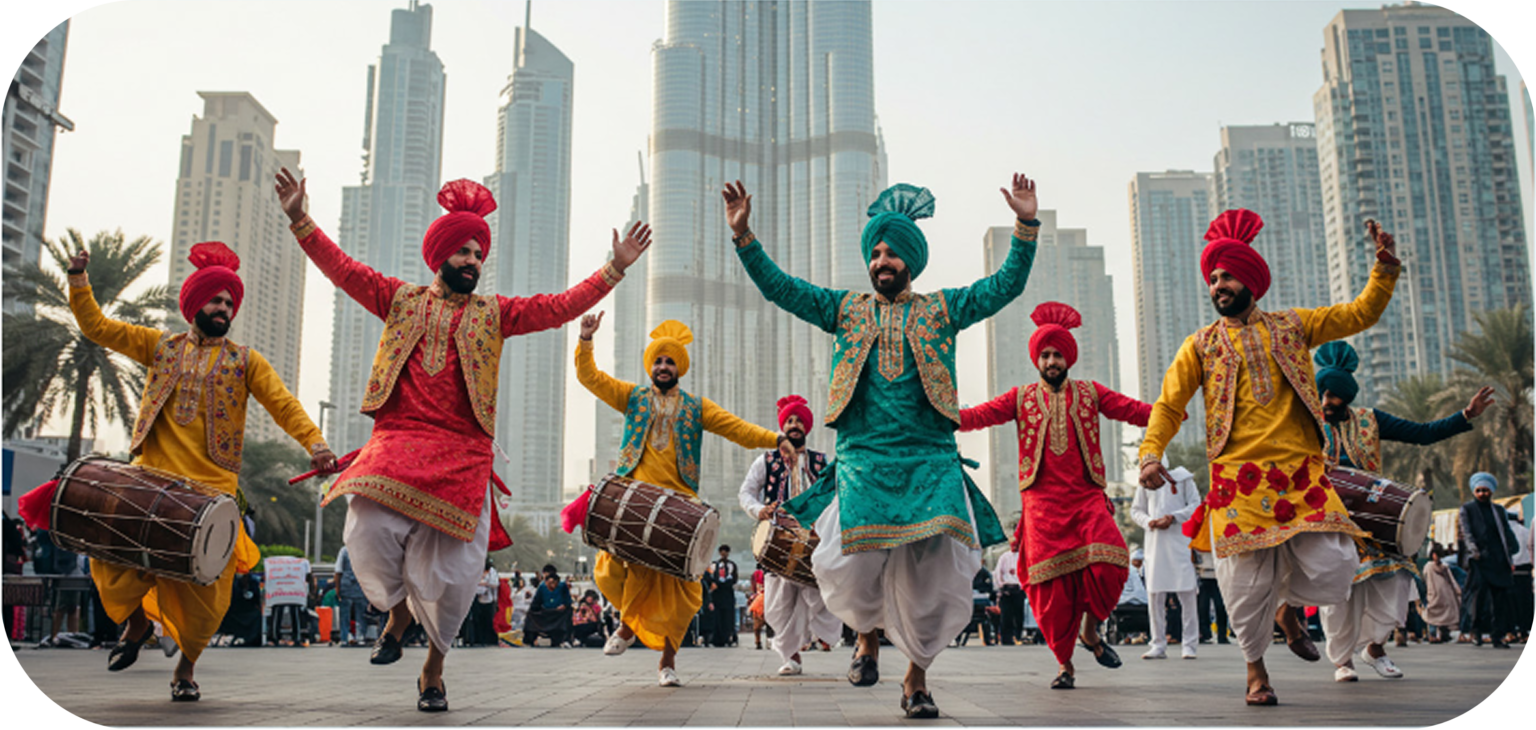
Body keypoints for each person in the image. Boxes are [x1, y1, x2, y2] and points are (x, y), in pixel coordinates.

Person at [275, 169, 647, 711]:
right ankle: (398, 612)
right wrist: (300, 219)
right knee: (367, 526)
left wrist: (614, 268)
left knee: (453, 575)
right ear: (441, 255)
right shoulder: (399, 299)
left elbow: (558, 307)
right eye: (465, 251)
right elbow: (343, 270)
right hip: (398, 440)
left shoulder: (495, 315)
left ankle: (433, 669)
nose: (474, 260)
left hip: (464, 451)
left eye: (480, 252)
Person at [729, 174, 1039, 719]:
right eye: (875, 252)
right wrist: (744, 237)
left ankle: (916, 681)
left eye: (893, 252)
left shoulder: (943, 309)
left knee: (935, 576)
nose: (882, 260)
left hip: (929, 458)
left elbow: (1004, 286)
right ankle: (866, 635)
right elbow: (782, 288)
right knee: (845, 563)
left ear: (911, 262)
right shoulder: (844, 309)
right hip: (862, 459)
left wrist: (1026, 225)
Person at [1137, 212, 1401, 706]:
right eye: (1213, 277)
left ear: (1252, 280)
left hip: (1301, 472)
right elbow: (1170, 405)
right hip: (1238, 479)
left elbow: (1359, 314)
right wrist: (1152, 453)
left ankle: (1284, 610)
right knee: (1241, 589)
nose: (1218, 284)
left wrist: (1382, 269)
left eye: (1228, 275)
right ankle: (1256, 671)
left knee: (1335, 564)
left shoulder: (1294, 325)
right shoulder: (1200, 345)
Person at [55, 242, 333, 700]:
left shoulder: (246, 361)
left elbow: (283, 404)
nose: (224, 308)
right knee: (107, 561)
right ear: (194, 303)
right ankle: (139, 624)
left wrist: (316, 444)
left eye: (229, 302)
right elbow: (98, 327)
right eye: (216, 299)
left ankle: (185, 670)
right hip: (149, 480)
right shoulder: (159, 345)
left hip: (212, 492)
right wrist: (78, 279)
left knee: (209, 596)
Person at [574, 312, 786, 687]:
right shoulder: (633, 397)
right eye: (658, 360)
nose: (663, 366)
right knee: (613, 568)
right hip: (635, 499)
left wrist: (775, 438)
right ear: (650, 365)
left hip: (679, 505)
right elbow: (591, 378)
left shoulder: (696, 407)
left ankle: (667, 664)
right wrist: (586, 341)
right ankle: (626, 626)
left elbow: (737, 428)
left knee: (682, 592)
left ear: (679, 368)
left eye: (670, 360)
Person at [960, 301, 1153, 689]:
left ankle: (1090, 632)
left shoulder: (1091, 393)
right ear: (1037, 359)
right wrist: (939, 413)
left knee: (1112, 564)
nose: (1051, 360)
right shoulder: (1020, 397)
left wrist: (1171, 409)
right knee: (1051, 593)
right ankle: (1064, 665)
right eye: (1045, 354)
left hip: (1085, 498)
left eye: (1058, 353)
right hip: (1042, 504)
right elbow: (978, 416)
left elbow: (1134, 410)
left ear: (1068, 357)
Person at [1309, 341, 1493, 681]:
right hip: (1330, 518)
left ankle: (1376, 648)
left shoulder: (1370, 420)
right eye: (1322, 395)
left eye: (1333, 396)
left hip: (1376, 516)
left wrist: (1465, 415)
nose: (1326, 402)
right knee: (1339, 589)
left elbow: (1422, 434)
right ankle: (1342, 661)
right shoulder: (1306, 424)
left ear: (1346, 395)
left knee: (1396, 581)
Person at [739, 395, 842, 675]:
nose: (794, 425)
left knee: (817, 593)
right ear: (783, 427)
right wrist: (760, 510)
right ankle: (791, 657)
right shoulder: (767, 461)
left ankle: (819, 636)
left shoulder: (822, 462)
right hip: (778, 541)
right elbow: (746, 492)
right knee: (778, 605)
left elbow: (838, 496)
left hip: (813, 540)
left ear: (806, 427)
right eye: (789, 421)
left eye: (799, 420)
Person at [1132, 461, 1202, 660]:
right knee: (1155, 595)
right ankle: (1158, 644)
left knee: (1187, 593)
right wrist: (1149, 522)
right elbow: (1136, 510)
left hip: (1179, 540)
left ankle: (1189, 645)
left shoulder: (1183, 477)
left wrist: (1173, 517)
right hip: (1155, 542)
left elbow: (1196, 505)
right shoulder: (1144, 481)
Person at [1457, 472, 1519, 649]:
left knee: (1500, 600)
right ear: (1474, 491)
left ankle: (1497, 636)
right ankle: (1476, 632)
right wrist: (1474, 552)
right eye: (1479, 490)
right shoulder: (1467, 509)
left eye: (1485, 490)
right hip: (1479, 561)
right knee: (1479, 599)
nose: (1482, 493)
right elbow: (1466, 532)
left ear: (1491, 491)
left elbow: (1506, 531)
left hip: (1499, 561)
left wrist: (1513, 549)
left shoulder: (1499, 511)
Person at [1421, 544, 1460, 644]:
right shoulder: (1443, 567)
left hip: (1435, 595)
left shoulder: (1429, 567)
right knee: (1439, 615)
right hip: (1443, 594)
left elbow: (1424, 579)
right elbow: (1452, 580)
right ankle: (1438, 635)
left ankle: (1436, 635)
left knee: (1434, 615)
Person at [334, 545, 369, 647]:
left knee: (345, 615)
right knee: (361, 614)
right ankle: (360, 637)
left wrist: (337, 588)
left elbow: (338, 571)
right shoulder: (365, 550)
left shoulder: (344, 550)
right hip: (361, 586)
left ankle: (344, 638)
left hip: (346, 586)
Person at [1192, 551, 1229, 645]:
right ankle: (1206, 635)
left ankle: (1221, 635)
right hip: (1203, 575)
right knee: (1203, 607)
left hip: (1217, 576)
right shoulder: (1198, 539)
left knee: (1220, 607)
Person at [525, 573, 572, 647]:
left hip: (558, 613)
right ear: (546, 582)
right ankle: (530, 639)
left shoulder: (563, 586)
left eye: (554, 584)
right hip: (546, 612)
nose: (552, 586)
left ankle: (563, 639)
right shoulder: (542, 587)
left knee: (567, 614)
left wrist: (564, 605)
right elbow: (536, 602)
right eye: (550, 583)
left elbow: (568, 600)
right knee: (531, 615)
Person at [993, 535, 1025, 646]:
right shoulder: (1004, 557)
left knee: (1018, 615)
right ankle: (1006, 638)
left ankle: (1018, 636)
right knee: (1006, 615)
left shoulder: (1023, 557)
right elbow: (998, 572)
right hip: (1007, 588)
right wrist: (1001, 585)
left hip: (1018, 588)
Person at [1508, 511, 1532, 643]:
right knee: (1525, 603)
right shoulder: (1526, 531)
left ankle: (1511, 632)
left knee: (1510, 604)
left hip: (1510, 572)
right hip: (1525, 572)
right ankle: (1524, 632)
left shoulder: (1505, 532)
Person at [709, 545, 740, 647]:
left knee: (728, 616)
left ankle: (728, 637)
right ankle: (716, 639)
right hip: (717, 594)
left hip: (727, 594)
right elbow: (710, 578)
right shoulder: (714, 565)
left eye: (726, 551)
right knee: (717, 616)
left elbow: (734, 579)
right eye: (722, 551)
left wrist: (725, 583)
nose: (724, 553)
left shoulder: (732, 565)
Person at [470, 559, 499, 647]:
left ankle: (490, 640)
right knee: (478, 620)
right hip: (477, 598)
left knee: (488, 620)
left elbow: (495, 584)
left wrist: (485, 583)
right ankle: (478, 639)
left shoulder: (492, 572)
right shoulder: (476, 570)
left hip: (489, 599)